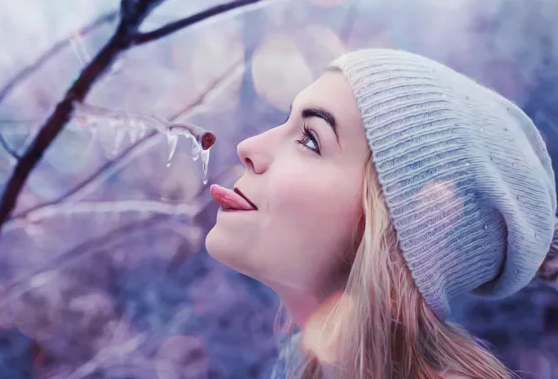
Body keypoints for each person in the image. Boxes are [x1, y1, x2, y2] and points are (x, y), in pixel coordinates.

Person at [204, 49, 558, 379]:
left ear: (391, 231)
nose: (248, 147)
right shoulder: (303, 366)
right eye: (287, 122)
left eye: (310, 139)